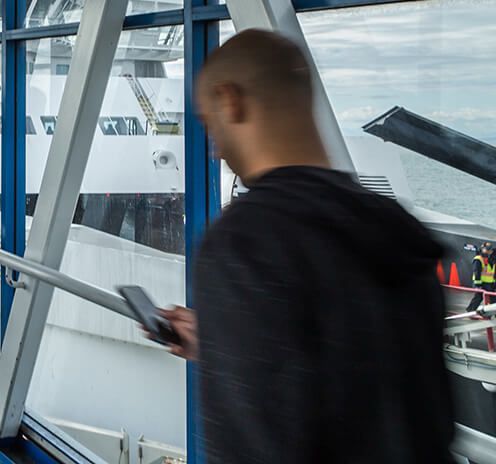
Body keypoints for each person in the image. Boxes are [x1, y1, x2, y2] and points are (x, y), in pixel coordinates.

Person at [152, 29, 452, 463]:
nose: (214, 151)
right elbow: (359, 369)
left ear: (229, 100)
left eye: (209, 125)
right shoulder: (393, 224)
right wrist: (224, 343)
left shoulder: (245, 242)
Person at [468, 242, 495, 312]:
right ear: (482, 249)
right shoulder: (478, 259)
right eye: (487, 250)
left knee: (493, 299)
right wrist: (478, 285)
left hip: (489, 284)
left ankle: (491, 313)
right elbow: (477, 272)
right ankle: (470, 311)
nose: (489, 251)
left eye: (490, 250)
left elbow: (492, 272)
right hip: (481, 283)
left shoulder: (491, 259)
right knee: (478, 298)